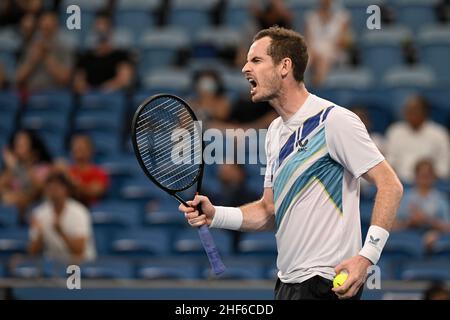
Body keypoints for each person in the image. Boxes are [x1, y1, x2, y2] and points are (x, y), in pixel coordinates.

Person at [179, 26, 403, 300]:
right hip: (287, 283)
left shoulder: (333, 121)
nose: (245, 69)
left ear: (285, 66)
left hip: (326, 283)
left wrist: (366, 257)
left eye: (256, 60)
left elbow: (390, 185)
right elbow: (268, 210)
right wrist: (216, 215)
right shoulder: (274, 132)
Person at [28, 172, 96, 264]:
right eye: (50, 188)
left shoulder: (79, 212)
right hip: (53, 264)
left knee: (73, 269)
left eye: (56, 188)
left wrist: (61, 232)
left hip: (79, 264)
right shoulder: (39, 213)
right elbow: (32, 252)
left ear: (66, 190)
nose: (53, 191)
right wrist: (40, 234)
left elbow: (79, 251)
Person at [385, 95, 450, 183]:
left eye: (414, 110)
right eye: (407, 110)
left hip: (430, 185)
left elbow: (444, 166)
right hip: (401, 183)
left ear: (425, 112)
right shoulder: (395, 131)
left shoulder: (439, 133)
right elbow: (389, 161)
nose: (410, 113)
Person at [394, 159, 450, 252]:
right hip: (408, 238)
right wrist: (409, 222)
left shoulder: (441, 199)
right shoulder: (405, 198)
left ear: (433, 177)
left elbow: (448, 227)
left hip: (433, 238)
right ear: (416, 176)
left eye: (427, 176)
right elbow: (393, 227)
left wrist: (427, 220)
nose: (424, 179)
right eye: (422, 176)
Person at [73, 11, 134, 94]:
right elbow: (78, 82)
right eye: (98, 24)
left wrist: (103, 90)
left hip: (112, 99)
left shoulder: (121, 56)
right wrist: (87, 90)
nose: (101, 28)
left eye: (105, 25)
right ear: (93, 29)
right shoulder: (85, 58)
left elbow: (125, 80)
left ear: (111, 30)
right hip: (89, 100)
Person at [0, 130, 52, 223]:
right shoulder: (10, 169)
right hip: (13, 216)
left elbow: (37, 191)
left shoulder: (43, 168)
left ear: (33, 147)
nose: (18, 147)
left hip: (36, 214)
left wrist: (16, 168)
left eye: (23, 144)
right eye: (16, 144)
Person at [15, 11, 73, 93]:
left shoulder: (64, 48)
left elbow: (65, 79)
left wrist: (46, 57)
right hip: (32, 93)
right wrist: (32, 62)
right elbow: (18, 78)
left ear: (56, 28)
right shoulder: (31, 46)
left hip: (55, 94)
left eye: (48, 29)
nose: (45, 32)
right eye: (42, 28)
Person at [304, 0, 353, 87]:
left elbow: (343, 42)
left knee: (323, 58)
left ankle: (318, 84)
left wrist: (326, 51)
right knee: (309, 55)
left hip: (335, 52)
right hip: (314, 52)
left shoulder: (342, 18)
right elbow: (308, 41)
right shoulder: (311, 18)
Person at [54, 134, 109, 207]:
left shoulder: (99, 173)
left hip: (89, 209)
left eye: (81, 147)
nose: (77, 148)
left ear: (90, 150)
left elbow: (93, 192)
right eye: (75, 146)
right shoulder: (66, 170)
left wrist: (68, 177)